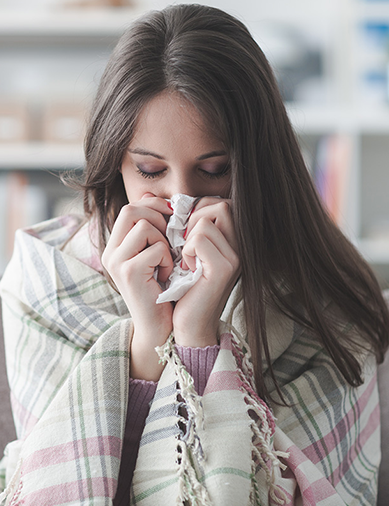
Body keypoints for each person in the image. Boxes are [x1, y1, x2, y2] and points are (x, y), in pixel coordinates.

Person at [0, 3, 388, 505]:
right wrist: (146, 339)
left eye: (213, 170)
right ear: (115, 161)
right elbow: (71, 484)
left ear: (257, 164)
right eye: (150, 171)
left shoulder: (324, 296)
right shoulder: (48, 279)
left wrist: (199, 336)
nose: (180, 201)